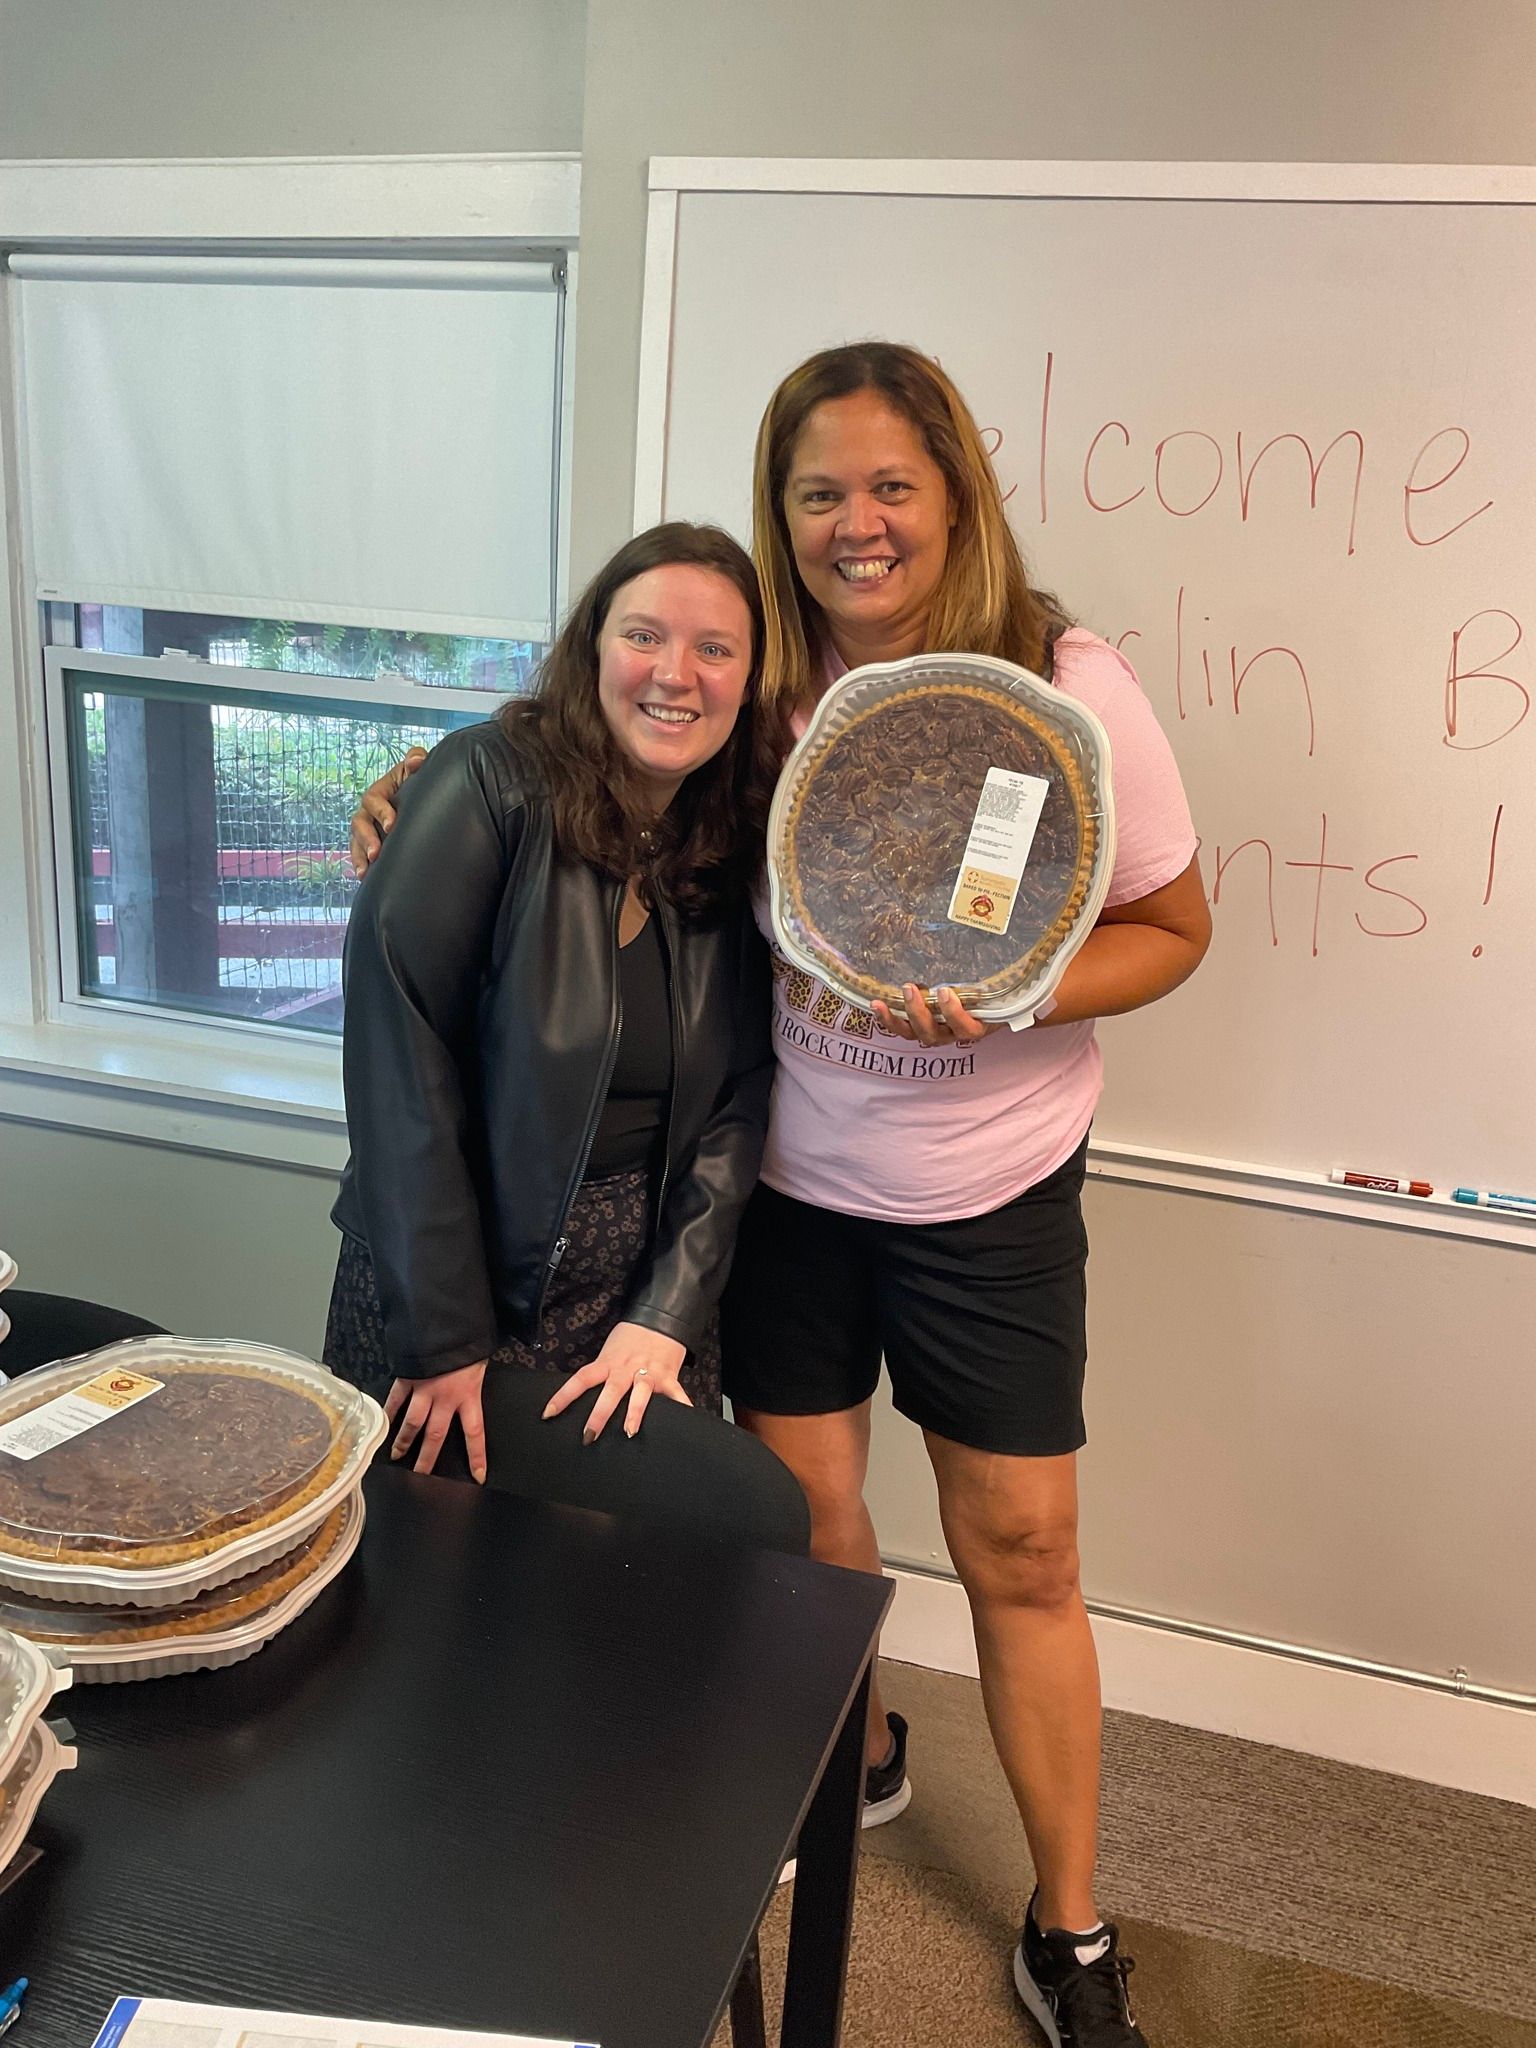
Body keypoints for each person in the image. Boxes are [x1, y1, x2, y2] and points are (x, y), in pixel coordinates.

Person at [351, 346, 1210, 2048]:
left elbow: (1176, 930)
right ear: (782, 510)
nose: (856, 522)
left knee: (1022, 1548)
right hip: (794, 1192)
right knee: (813, 1541)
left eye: (892, 484)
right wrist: (421, 785)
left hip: (991, 1195)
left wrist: (1024, 986)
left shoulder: (1062, 682)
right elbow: (591, 735)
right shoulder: (758, 678)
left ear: (953, 489)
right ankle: (860, 1750)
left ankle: (1070, 1927)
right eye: (819, 491)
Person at [326, 522, 775, 1484]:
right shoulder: (487, 783)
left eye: (715, 649)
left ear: (748, 677)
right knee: (428, 1578)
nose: (675, 674)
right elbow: (399, 1056)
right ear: (594, 648)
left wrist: (667, 1316)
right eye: (644, 635)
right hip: (452, 1275)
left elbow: (738, 1097)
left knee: (621, 1588)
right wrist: (444, 1334)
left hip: (640, 1302)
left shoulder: (734, 835)